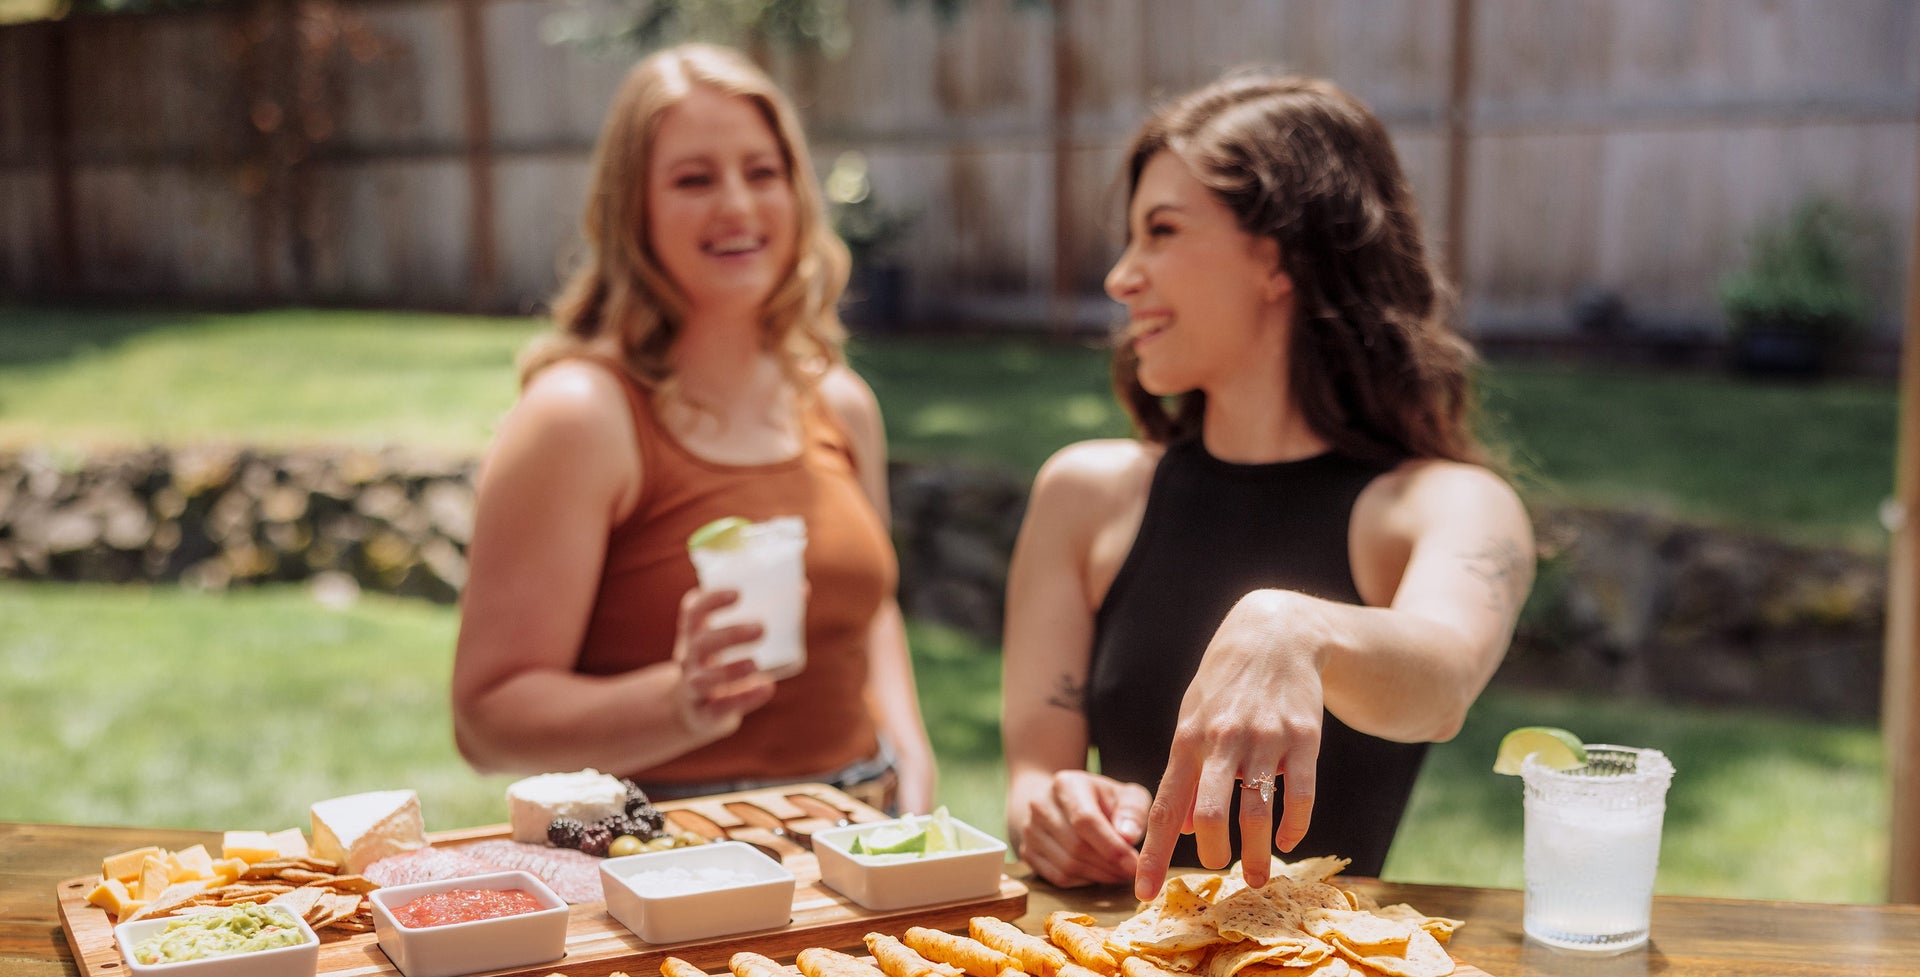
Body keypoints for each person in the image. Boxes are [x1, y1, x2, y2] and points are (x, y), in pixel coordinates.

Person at [1002, 71, 1532, 900]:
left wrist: (1296, 626)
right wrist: (1054, 811)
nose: (1121, 277)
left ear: (1281, 258)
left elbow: (1443, 683)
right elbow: (1034, 772)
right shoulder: (1083, 495)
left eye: (1162, 231)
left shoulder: (1447, 505)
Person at [451, 44, 934, 815]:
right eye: (693, 179)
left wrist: (907, 748)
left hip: (858, 852)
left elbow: (870, 610)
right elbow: (485, 721)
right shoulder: (579, 418)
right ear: (631, 208)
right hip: (658, 868)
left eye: (762, 172)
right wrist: (678, 700)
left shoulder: (840, 403)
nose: (738, 206)